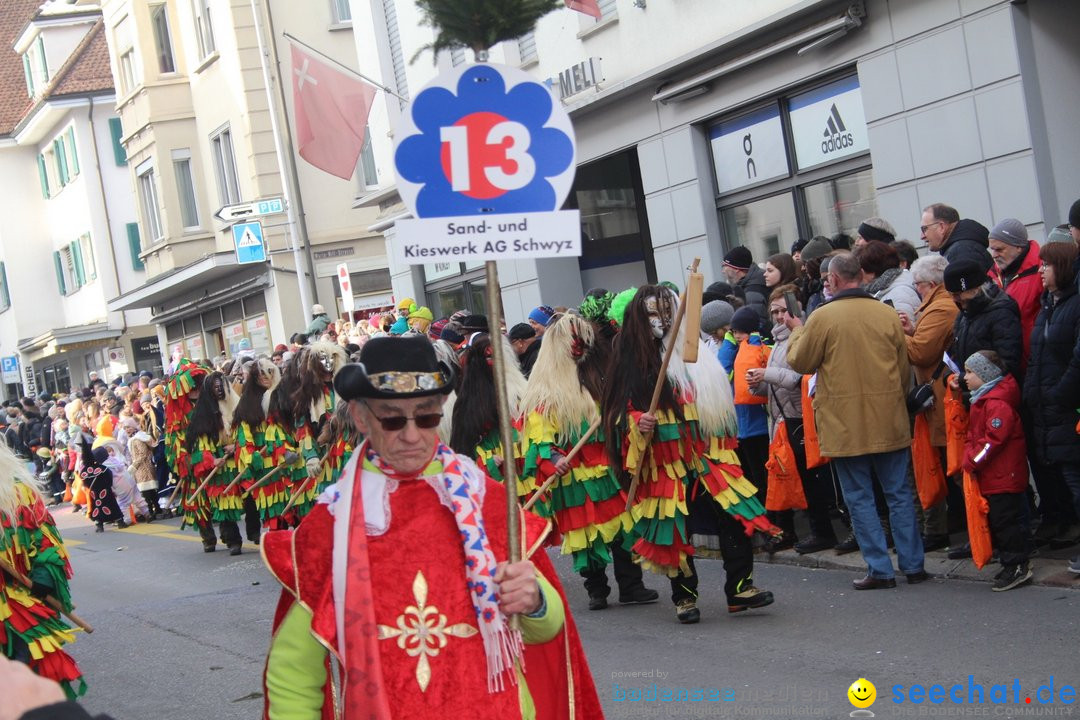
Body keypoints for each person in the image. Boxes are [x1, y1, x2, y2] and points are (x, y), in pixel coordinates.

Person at [262, 335, 603, 719]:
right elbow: (294, 673)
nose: (411, 435)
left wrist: (536, 602)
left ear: (442, 408)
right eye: (392, 418)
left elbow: (544, 630)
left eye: (425, 416)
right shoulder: (332, 526)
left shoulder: (484, 501)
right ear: (360, 417)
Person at [602, 285, 776, 623]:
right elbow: (614, 411)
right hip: (663, 460)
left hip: (705, 451)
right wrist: (638, 420)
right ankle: (684, 598)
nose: (662, 320)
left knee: (735, 515)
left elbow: (715, 401)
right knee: (674, 528)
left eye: (667, 312)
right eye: (653, 313)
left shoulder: (694, 351)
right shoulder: (626, 355)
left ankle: (740, 588)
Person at [786, 252, 926, 589]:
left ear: (832, 280)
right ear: (861, 275)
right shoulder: (886, 313)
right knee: (899, 494)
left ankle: (880, 569)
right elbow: (903, 367)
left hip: (845, 424)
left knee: (860, 497)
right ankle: (914, 565)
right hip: (888, 418)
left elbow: (800, 362)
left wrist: (796, 331)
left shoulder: (822, 317)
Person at [517, 312, 655, 611]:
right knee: (585, 535)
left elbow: (620, 415)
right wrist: (552, 457)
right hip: (574, 475)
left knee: (623, 526)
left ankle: (631, 585)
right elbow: (538, 435)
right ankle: (596, 589)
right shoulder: (545, 393)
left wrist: (636, 422)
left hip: (608, 467)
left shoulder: (600, 380)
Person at [748, 286, 838, 554]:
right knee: (793, 478)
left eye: (782, 310)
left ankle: (822, 531)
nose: (778, 316)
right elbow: (777, 384)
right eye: (774, 311)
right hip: (783, 420)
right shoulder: (776, 342)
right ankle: (806, 532)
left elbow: (803, 378)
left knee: (812, 480)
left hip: (802, 418)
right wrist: (757, 384)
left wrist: (767, 374)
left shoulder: (804, 336)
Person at [0, 442, 85, 700]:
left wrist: (43, 575)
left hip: (14, 601)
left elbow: (45, 537)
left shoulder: (16, 492)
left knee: (30, 661)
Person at [1023, 241, 1080, 559]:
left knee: (1075, 478)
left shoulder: (1073, 305)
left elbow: (1076, 359)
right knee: (1068, 480)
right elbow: (1037, 357)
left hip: (1067, 407)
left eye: (1048, 264)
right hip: (1048, 408)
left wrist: (1059, 394)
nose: (1041, 270)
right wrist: (1033, 392)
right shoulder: (1048, 305)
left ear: (1064, 267)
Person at [899, 255, 960, 552]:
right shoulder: (937, 304)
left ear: (931, 284)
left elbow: (922, 352)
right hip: (937, 396)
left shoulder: (941, 307)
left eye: (919, 285)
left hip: (942, 397)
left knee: (955, 465)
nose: (916, 290)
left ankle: (974, 533)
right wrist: (912, 330)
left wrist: (899, 334)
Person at [960, 350, 1032, 591]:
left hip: (1004, 475)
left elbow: (992, 441)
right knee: (1001, 520)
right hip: (995, 475)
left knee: (1006, 521)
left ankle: (1018, 565)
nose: (965, 377)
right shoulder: (982, 401)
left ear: (985, 374)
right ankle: (1011, 562)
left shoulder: (996, 404)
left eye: (970, 372)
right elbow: (976, 436)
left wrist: (972, 461)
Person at [945, 259, 1023, 381]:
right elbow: (956, 353)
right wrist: (950, 376)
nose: (954, 299)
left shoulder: (1001, 312)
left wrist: (963, 379)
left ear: (975, 289)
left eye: (958, 294)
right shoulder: (965, 313)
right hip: (972, 393)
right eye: (951, 294)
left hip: (994, 394)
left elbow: (1008, 363)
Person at [987, 218, 1042, 371]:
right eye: (992, 249)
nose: (994, 255)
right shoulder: (992, 275)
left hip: (1034, 361)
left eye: (999, 249)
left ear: (1018, 247)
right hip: (1005, 364)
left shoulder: (1041, 272)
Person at [920, 203, 992, 274]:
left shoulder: (962, 251)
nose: (922, 236)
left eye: (924, 229)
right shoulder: (962, 249)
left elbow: (969, 285)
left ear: (941, 227)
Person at [856, 240, 921, 318]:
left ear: (872, 273)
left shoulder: (899, 294)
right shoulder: (886, 289)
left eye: (862, 270)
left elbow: (903, 328)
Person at [721, 245, 769, 332]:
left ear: (736, 269)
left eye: (725, 266)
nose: (723, 271)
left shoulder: (753, 291)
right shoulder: (750, 282)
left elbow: (755, 327)